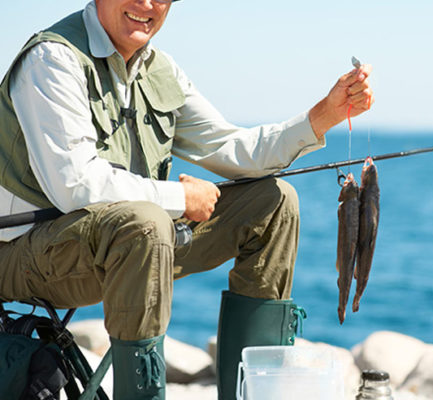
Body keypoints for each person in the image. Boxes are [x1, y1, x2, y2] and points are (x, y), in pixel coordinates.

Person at [0, 0, 373, 399]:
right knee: (147, 222)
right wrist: (179, 197)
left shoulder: (162, 70)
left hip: (131, 247)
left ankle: (250, 392)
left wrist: (324, 115)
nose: (147, 4)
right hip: (22, 256)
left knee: (274, 201)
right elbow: (74, 185)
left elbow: (234, 148)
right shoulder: (52, 58)